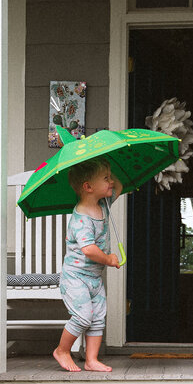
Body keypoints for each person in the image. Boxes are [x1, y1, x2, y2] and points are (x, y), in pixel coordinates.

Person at [52, 158, 123, 372]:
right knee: (83, 316)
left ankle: (91, 360)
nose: (111, 182)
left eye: (109, 177)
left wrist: (108, 168)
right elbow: (89, 250)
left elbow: (119, 186)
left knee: (98, 317)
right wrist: (109, 259)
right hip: (75, 278)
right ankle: (62, 350)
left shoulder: (103, 204)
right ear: (88, 187)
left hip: (93, 278)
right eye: (105, 178)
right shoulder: (81, 218)